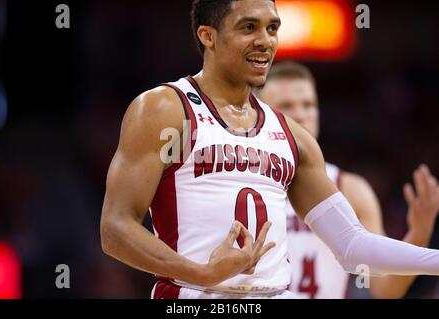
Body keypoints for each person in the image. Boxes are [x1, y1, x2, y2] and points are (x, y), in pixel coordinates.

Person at [100, 0, 439, 299]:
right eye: (249, 27)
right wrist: (200, 273)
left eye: (272, 28)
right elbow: (115, 229)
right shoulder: (165, 109)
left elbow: (352, 246)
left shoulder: (292, 136)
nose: (265, 41)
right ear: (208, 36)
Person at [256, 61, 439, 298]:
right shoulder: (238, 182)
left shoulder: (351, 188)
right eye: (287, 106)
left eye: (308, 105)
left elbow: (385, 290)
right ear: (262, 115)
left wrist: (419, 232)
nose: (301, 115)